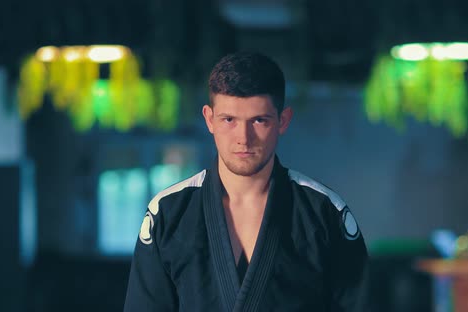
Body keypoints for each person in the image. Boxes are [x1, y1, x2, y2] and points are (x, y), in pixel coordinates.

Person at [124, 52, 368, 312]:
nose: (244, 138)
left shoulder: (324, 211)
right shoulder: (169, 212)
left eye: (259, 120)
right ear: (209, 119)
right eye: (229, 120)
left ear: (282, 121)